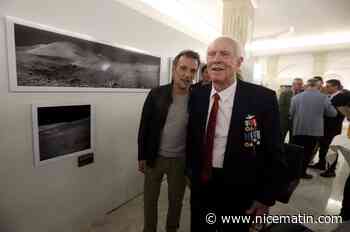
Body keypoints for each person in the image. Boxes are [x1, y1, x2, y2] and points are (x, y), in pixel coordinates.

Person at [186, 36, 285, 231]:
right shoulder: (197, 95)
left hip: (241, 187)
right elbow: (192, 138)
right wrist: (190, 172)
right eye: (212, 54)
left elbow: (273, 150)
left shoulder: (262, 98)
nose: (216, 59)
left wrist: (265, 197)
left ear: (239, 62)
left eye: (224, 54)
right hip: (202, 184)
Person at [138, 50, 200, 232]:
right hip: (154, 157)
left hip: (180, 161)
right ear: (174, 68)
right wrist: (142, 155)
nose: (187, 74)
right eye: (183, 68)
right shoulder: (156, 94)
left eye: (192, 70)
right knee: (150, 201)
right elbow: (144, 127)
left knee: (176, 203)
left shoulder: (197, 99)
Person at [290, 78, 337, 179]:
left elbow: (291, 113)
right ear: (318, 86)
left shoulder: (296, 97)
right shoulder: (323, 98)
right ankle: (302, 172)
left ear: (307, 85)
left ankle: (294, 172)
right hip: (314, 130)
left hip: (298, 128)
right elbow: (333, 113)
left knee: (297, 151)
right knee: (308, 152)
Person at [310, 79, 345, 177]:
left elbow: (338, 113)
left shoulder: (340, 97)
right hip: (325, 126)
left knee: (331, 148)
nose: (326, 88)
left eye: (328, 86)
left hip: (333, 127)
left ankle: (331, 170)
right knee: (323, 146)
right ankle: (321, 164)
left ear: (336, 87)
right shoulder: (329, 96)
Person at [279, 78, 304, 143]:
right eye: (297, 84)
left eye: (300, 84)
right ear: (293, 84)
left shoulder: (303, 95)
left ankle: (290, 152)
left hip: (296, 122)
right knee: (281, 138)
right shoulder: (285, 93)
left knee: (293, 140)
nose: (299, 86)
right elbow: (281, 107)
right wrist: (291, 114)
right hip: (285, 121)